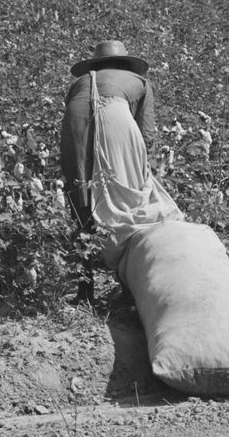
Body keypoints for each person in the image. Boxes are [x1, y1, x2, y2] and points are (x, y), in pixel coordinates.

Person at [59, 39, 181, 267]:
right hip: (115, 115)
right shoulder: (140, 82)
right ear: (125, 63)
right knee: (128, 197)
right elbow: (146, 135)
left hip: (73, 118)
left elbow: (77, 111)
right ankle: (126, 263)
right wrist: (143, 171)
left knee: (79, 189)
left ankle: (84, 281)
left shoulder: (82, 81)